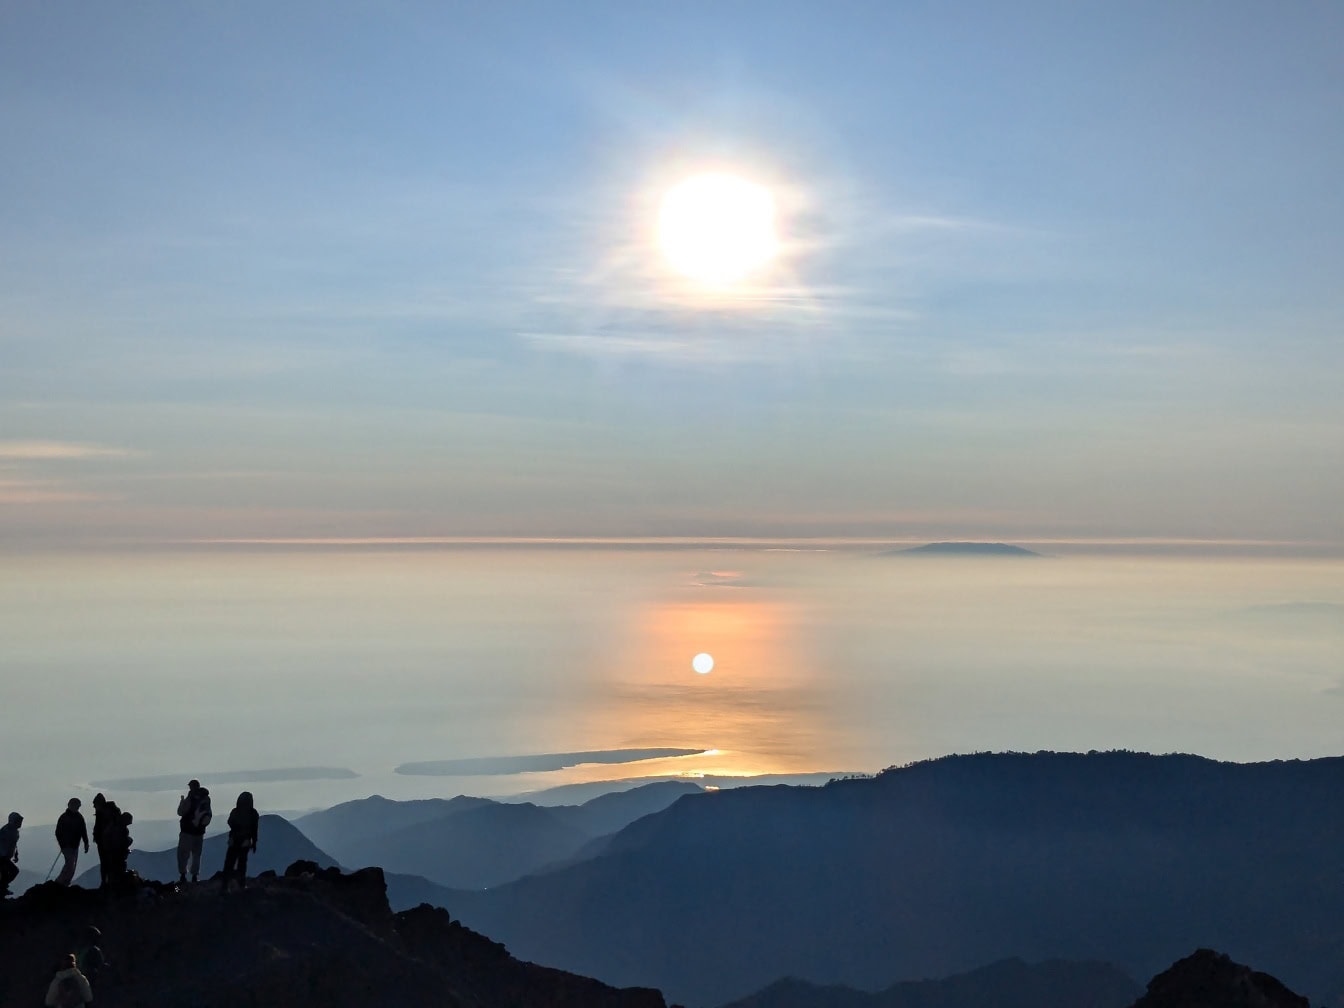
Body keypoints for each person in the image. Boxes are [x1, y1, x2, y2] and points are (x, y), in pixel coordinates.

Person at [220, 791, 259, 893]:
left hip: (234, 839)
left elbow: (230, 822)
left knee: (229, 863)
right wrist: (254, 842)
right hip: (245, 840)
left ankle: (225, 885)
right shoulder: (253, 813)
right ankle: (241, 884)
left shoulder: (235, 811)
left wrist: (235, 831)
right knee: (242, 863)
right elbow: (254, 829)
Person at [176, 780, 211, 884]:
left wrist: (182, 802)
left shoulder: (190, 797)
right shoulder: (206, 798)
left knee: (183, 853)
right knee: (196, 854)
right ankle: (195, 876)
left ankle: (183, 875)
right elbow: (208, 813)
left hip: (187, 830)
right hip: (199, 831)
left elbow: (181, 812)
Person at [54, 799, 90, 886]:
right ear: (70, 805)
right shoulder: (65, 817)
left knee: (71, 865)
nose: (77, 808)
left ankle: (64, 882)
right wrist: (62, 844)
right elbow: (58, 832)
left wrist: (86, 842)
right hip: (67, 846)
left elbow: (83, 831)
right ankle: (60, 882)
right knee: (70, 864)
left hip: (73, 845)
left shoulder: (78, 817)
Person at [91, 794, 120, 888]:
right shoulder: (107, 811)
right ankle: (109, 882)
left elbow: (103, 827)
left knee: (106, 862)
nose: (94, 806)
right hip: (106, 841)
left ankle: (106, 882)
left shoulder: (104, 813)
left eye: (95, 804)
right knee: (108, 862)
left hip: (106, 842)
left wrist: (100, 836)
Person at [0, 811, 22, 896]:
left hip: (5, 857)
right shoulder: (6, 830)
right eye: (18, 821)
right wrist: (3, 855)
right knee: (13, 871)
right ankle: (2, 888)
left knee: (7, 873)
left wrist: (16, 854)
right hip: (2, 857)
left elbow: (14, 844)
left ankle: (2, 888)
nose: (20, 823)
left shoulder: (14, 831)